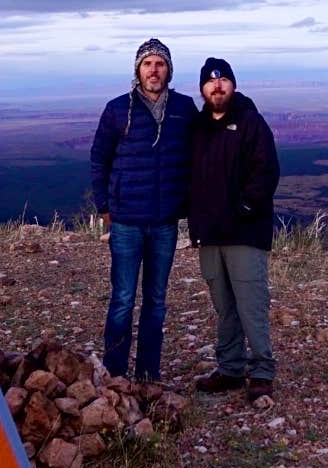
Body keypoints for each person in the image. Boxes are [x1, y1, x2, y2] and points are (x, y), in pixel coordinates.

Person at [89, 39, 196, 382]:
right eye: (147, 63)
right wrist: (104, 208)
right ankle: (116, 375)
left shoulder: (183, 109)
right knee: (122, 299)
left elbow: (199, 154)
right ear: (138, 69)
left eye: (160, 64)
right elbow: (99, 159)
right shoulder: (117, 109)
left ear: (169, 70)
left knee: (156, 301)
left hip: (165, 221)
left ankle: (149, 376)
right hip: (126, 222)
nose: (153, 70)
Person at [187, 57, 281, 404]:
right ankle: (230, 369)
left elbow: (266, 171)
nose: (217, 86)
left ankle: (262, 372)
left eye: (223, 80)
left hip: (244, 232)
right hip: (209, 235)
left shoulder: (250, 122)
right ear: (202, 89)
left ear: (233, 85)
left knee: (250, 303)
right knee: (224, 306)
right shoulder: (197, 128)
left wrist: (245, 208)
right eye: (211, 82)